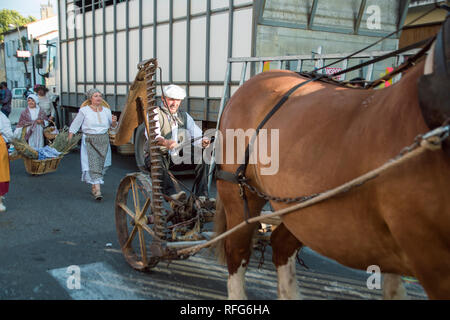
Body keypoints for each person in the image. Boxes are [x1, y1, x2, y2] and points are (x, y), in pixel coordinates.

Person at [144, 84, 210, 202]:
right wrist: (165, 142)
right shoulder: (155, 113)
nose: (175, 103)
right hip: (158, 156)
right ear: (163, 99)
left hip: (177, 158)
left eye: (178, 100)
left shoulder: (184, 115)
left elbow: (197, 134)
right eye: (171, 99)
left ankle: (202, 196)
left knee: (202, 157)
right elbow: (154, 136)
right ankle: (172, 194)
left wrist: (203, 141)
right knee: (157, 160)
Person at [68, 88, 118, 200]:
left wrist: (114, 122)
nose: (98, 98)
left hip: (104, 140)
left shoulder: (106, 111)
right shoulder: (84, 111)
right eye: (95, 96)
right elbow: (76, 124)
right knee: (94, 164)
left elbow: (113, 127)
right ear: (90, 98)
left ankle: (94, 184)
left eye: (100, 95)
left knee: (104, 165)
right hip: (90, 140)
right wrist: (70, 136)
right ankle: (98, 191)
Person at [0, 111, 13, 212]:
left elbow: (8, 132)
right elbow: (8, 133)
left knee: (1, 173)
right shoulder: (2, 116)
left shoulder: (1, 116)